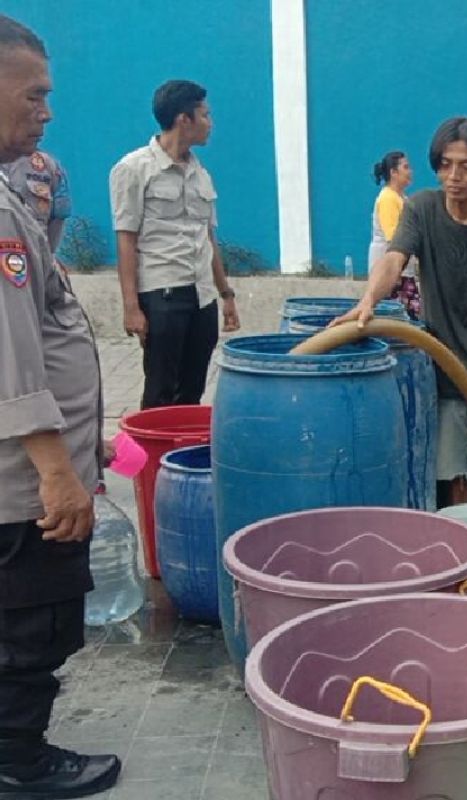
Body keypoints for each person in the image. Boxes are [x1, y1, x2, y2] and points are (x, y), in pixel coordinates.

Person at [0, 15, 121, 797]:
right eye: (34, 95)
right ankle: (19, 759)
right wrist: (57, 470)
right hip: (22, 483)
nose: (47, 112)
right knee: (29, 627)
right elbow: (9, 354)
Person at [334, 117, 467, 506]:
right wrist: (368, 300)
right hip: (443, 374)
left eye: (466, 166)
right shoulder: (422, 209)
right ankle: (463, 564)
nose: (453, 176)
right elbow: (394, 259)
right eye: (445, 164)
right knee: (451, 483)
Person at [110, 79, 240, 409]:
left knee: (192, 391)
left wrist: (226, 294)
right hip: (162, 293)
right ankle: (151, 459)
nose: (211, 123)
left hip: (202, 295)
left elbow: (208, 238)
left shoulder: (201, 174)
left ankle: (180, 458)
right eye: (205, 115)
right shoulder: (133, 169)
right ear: (184, 119)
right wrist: (131, 307)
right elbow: (126, 238)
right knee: (160, 391)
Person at [368, 151, 420, 318]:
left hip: (402, 272)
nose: (410, 171)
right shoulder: (388, 199)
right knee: (398, 318)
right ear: (393, 172)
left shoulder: (400, 198)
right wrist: (394, 273)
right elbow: (394, 238)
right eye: (405, 167)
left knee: (410, 316)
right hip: (393, 274)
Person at [1, 148, 69, 252]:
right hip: (37, 245)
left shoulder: (47, 163)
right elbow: (61, 210)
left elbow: (62, 209)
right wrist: (49, 251)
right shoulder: (49, 162)